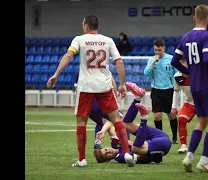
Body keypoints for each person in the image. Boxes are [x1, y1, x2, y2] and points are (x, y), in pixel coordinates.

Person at [46, 15, 135, 167]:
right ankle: (126, 152)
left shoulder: (79, 39)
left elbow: (68, 55)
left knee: (81, 121)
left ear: (86, 26)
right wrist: (121, 84)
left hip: (86, 86)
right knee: (116, 119)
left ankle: (82, 160)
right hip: (104, 85)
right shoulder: (108, 40)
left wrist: (56, 74)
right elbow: (119, 62)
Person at [171, 5, 208, 173]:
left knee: (201, 121)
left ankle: (189, 157)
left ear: (194, 18)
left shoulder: (186, 36)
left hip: (194, 86)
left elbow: (174, 61)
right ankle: (204, 161)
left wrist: (191, 72)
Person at [94, 82, 171, 164]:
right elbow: (142, 158)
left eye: (105, 149)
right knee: (135, 148)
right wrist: (128, 143)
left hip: (159, 136)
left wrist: (102, 131)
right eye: (107, 154)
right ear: (108, 160)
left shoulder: (115, 144)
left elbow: (110, 124)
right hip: (161, 145)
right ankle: (143, 118)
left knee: (124, 124)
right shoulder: (121, 157)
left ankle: (138, 97)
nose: (108, 151)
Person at [73, 70, 128, 149]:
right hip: (102, 100)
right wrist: (115, 98)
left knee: (100, 122)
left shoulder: (79, 71)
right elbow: (112, 82)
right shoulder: (102, 68)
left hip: (89, 106)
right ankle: (121, 144)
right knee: (119, 119)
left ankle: (98, 142)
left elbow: (77, 90)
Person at [143, 39, 179, 144]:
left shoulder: (171, 59)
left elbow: (177, 74)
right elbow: (146, 73)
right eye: (155, 50)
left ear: (164, 48)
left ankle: (174, 137)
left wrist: (178, 87)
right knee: (157, 115)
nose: (157, 52)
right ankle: (161, 137)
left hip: (169, 90)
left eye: (159, 50)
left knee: (171, 115)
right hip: (156, 90)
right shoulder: (151, 60)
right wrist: (154, 62)